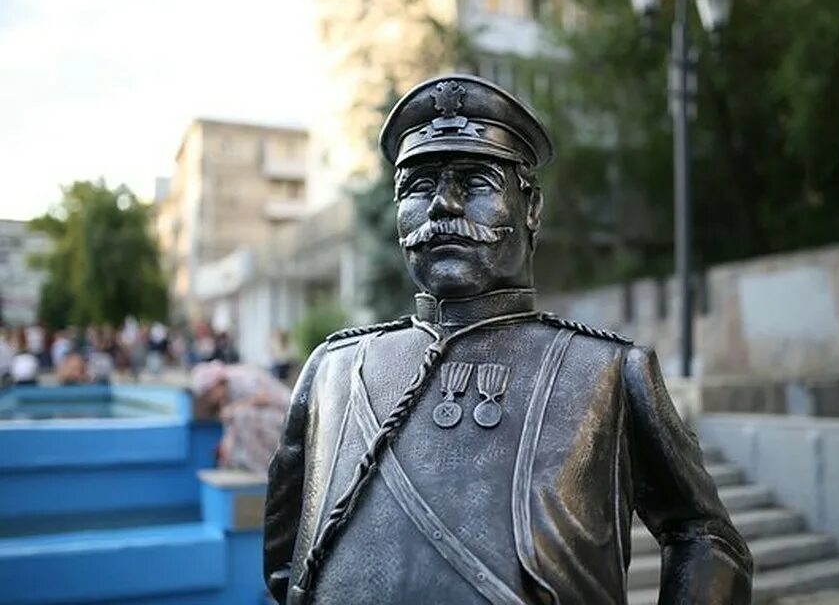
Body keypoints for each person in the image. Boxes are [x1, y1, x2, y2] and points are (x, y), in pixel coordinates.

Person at [264, 75, 752, 604]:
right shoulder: (333, 368)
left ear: (532, 209)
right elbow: (285, 560)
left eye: (475, 183)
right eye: (420, 186)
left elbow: (706, 537)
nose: (443, 206)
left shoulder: (605, 371)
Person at [191, 360, 292, 474]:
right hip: (267, 421)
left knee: (242, 416)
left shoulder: (243, 377)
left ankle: (269, 469)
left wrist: (235, 408)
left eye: (209, 393)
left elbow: (264, 398)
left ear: (216, 384)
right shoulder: (226, 394)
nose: (210, 399)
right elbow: (230, 427)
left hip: (285, 417)